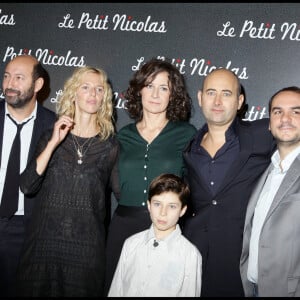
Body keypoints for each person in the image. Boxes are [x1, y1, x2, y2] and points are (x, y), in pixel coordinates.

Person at [16, 66, 119, 297]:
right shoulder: (49, 136)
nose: (93, 93)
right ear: (74, 93)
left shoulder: (111, 146)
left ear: (104, 97)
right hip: (43, 249)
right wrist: (54, 142)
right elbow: (27, 186)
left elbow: (123, 195)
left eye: (99, 89)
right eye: (86, 87)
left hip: (86, 255)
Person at [104, 58, 197, 294]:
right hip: (124, 225)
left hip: (164, 227)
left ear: (172, 95)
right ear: (139, 91)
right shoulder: (123, 136)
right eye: (149, 86)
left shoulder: (186, 134)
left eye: (163, 88)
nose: (155, 94)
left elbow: (192, 183)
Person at [182, 68, 276, 297]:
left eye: (226, 93)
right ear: (200, 97)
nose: (217, 100)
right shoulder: (188, 146)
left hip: (240, 263)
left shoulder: (262, 133)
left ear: (239, 100)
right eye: (211, 92)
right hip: (195, 261)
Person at [0, 54, 56, 297]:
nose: (9, 84)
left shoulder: (54, 127)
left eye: (19, 78)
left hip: (26, 230)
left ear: (38, 85)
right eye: (6, 76)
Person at [240, 86, 300, 297]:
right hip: (255, 288)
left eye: (296, 111)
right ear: (269, 123)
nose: (286, 118)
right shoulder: (268, 169)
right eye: (277, 111)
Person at [108, 173, 202, 297]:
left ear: (182, 210)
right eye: (157, 204)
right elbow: (116, 290)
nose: (163, 213)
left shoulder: (190, 254)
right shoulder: (131, 244)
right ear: (149, 205)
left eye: (172, 206)